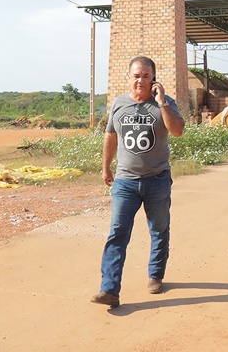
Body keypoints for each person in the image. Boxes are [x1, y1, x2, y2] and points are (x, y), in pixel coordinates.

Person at [91, 56, 185, 307]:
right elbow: (110, 136)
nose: (141, 80)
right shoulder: (119, 104)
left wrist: (163, 102)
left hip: (157, 179)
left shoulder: (165, 103)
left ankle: (155, 274)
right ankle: (109, 289)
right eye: (136, 75)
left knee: (159, 229)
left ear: (153, 78)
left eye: (146, 76)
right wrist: (106, 167)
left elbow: (177, 130)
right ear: (129, 77)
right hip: (125, 181)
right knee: (117, 233)